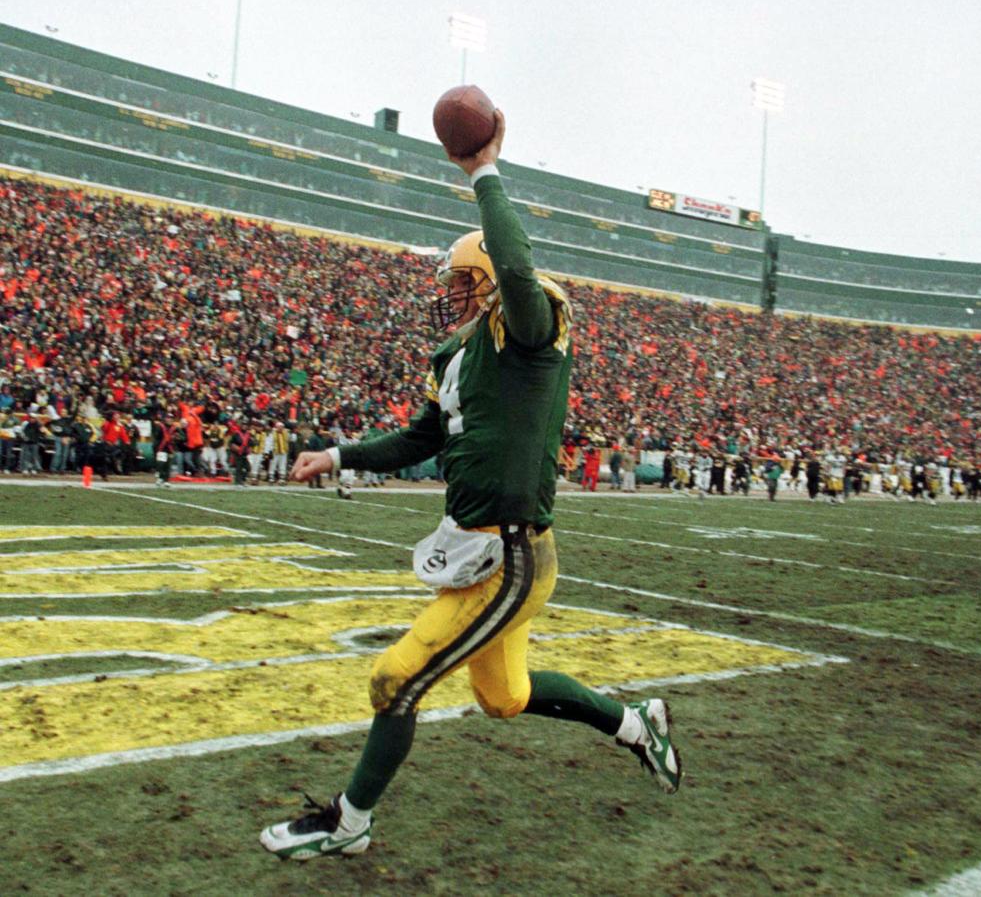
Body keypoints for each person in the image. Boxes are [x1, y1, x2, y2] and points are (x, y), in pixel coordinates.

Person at [260, 111, 681, 861]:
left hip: (511, 554)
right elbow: (420, 439)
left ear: (487, 278)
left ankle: (350, 821)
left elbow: (517, 271)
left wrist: (483, 171)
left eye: (461, 282)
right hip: (478, 548)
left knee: (395, 678)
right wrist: (338, 453)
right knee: (505, 696)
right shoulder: (458, 355)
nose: (449, 296)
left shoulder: (525, 328)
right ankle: (634, 720)